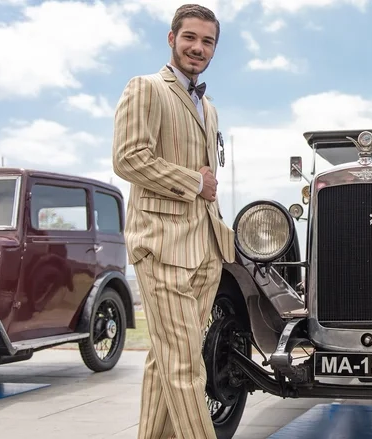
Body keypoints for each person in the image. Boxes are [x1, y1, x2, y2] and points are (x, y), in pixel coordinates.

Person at [112, 4, 234, 439]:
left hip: (204, 250)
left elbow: (208, 182)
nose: (198, 48)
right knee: (185, 365)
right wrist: (192, 182)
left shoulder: (210, 108)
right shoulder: (145, 88)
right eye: (190, 38)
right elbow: (128, 158)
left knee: (164, 359)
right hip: (161, 244)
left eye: (207, 41)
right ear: (171, 39)